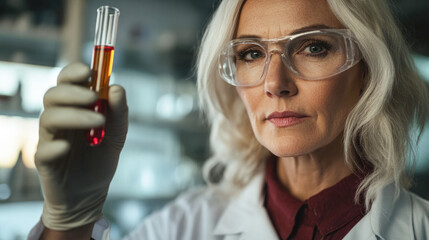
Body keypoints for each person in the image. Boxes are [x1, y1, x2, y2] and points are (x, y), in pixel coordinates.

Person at [28, 0, 429, 239]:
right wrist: (68, 225)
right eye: (251, 54)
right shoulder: (183, 227)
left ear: (367, 70)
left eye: (313, 47)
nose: (276, 83)